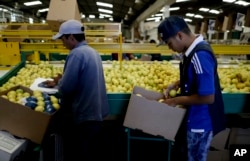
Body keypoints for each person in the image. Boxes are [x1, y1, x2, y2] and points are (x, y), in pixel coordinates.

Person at [158, 15, 226, 161]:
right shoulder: (192, 51)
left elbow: (208, 97)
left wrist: (175, 101)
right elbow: (196, 77)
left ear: (180, 36)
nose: (170, 48)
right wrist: (176, 84)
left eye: (169, 43)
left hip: (200, 123)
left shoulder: (199, 55)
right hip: (194, 119)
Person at [45, 19, 109, 161]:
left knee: (81, 152)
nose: (62, 43)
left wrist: (59, 83)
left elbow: (66, 88)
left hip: (85, 115)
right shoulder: (93, 52)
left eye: (63, 39)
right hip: (96, 113)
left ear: (71, 37)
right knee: (91, 151)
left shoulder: (76, 54)